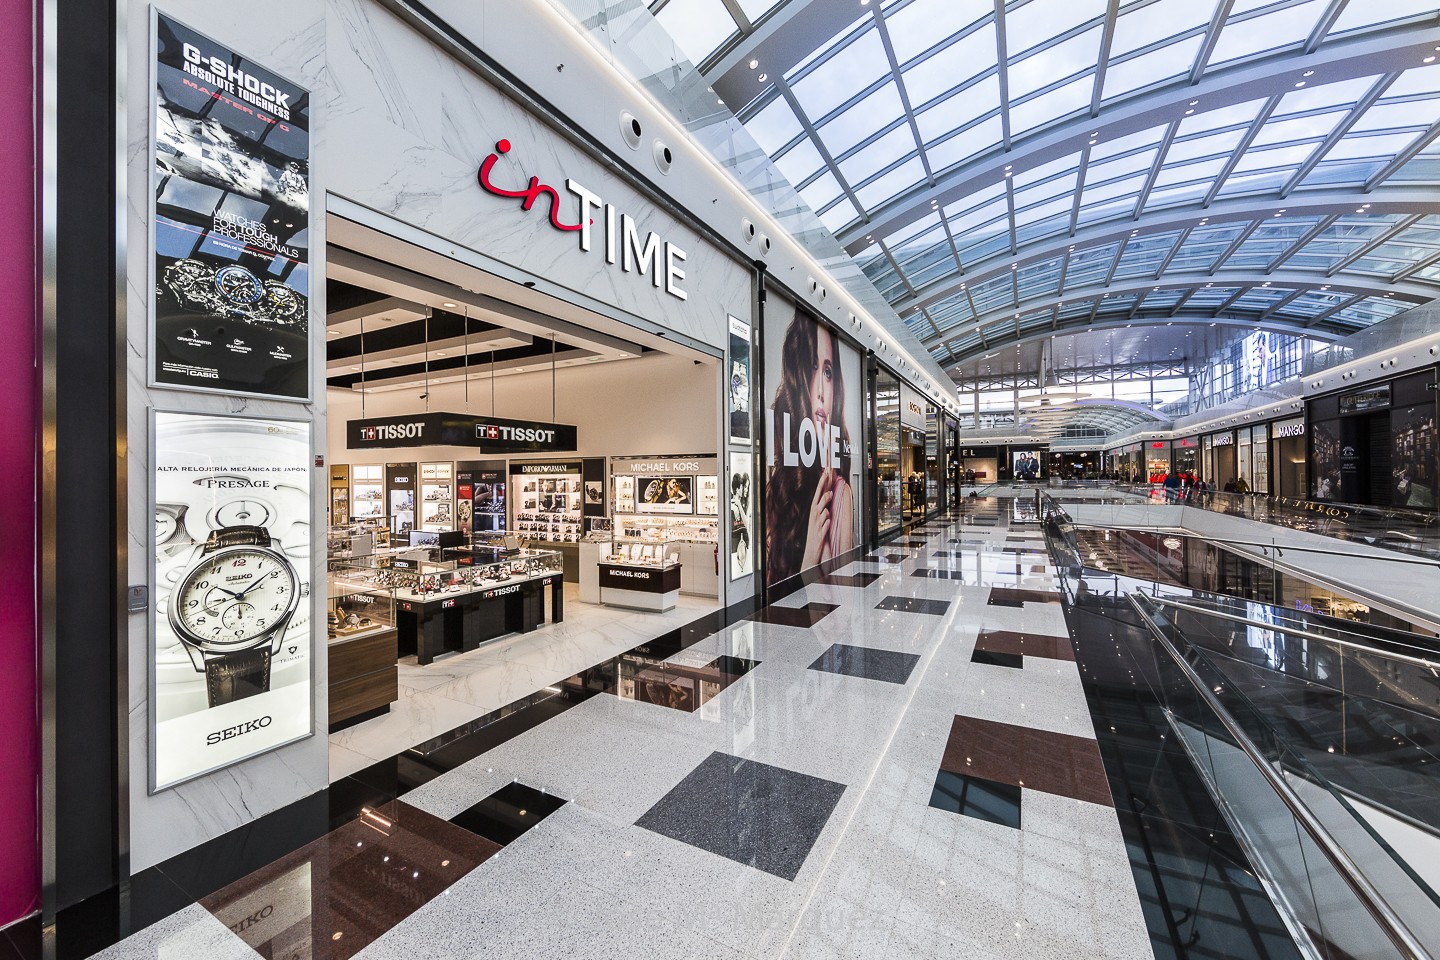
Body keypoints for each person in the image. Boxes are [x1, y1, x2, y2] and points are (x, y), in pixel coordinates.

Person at [765, 314, 855, 584]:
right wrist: (809, 555)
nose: (820, 391)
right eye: (811, 367)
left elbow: (842, 600)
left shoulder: (839, 495)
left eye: (827, 372)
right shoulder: (778, 483)